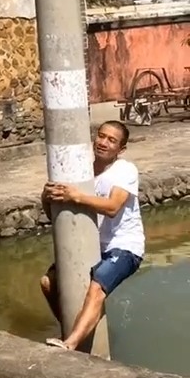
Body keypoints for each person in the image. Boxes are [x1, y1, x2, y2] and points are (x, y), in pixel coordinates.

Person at [40, 120, 145, 352]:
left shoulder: (125, 170)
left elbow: (113, 207)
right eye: (101, 136)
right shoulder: (82, 170)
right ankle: (75, 328)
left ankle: (70, 343)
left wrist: (76, 196)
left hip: (124, 247)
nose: (103, 143)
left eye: (111, 140)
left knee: (97, 287)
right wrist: (46, 198)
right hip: (93, 246)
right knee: (48, 282)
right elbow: (53, 215)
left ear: (121, 149)